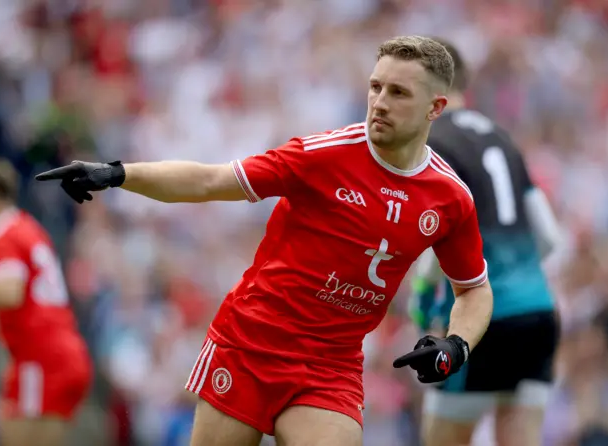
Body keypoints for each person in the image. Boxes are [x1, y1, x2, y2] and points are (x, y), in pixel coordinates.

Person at [36, 35, 494, 446]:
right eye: (375, 87)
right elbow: (210, 181)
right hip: (252, 342)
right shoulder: (322, 156)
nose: (379, 102)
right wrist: (118, 174)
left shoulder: (451, 197)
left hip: (331, 365)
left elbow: (473, 288)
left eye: (398, 93)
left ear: (436, 108)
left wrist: (457, 345)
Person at [408, 38, 562, 446]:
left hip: (483, 320)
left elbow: (437, 237)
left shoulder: (433, 143)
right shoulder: (501, 137)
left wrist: (424, 297)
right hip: (538, 313)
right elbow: (548, 236)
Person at [0, 158, 92, 446]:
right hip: (58, 354)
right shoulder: (26, 227)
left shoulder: (2, 235)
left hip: (40, 362)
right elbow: (30, 307)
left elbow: (9, 293)